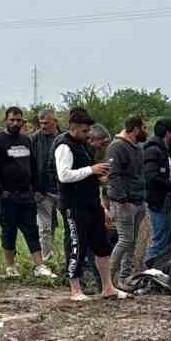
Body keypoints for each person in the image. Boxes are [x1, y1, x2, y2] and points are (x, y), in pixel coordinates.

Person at [56, 108, 122, 301]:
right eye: (85, 132)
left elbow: (84, 174)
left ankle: (108, 287)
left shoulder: (83, 146)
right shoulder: (64, 146)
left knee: (101, 245)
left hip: (91, 203)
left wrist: (98, 178)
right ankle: (75, 289)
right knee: (77, 244)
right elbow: (64, 175)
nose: (88, 135)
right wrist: (91, 169)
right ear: (73, 128)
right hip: (73, 205)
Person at [0, 106, 54, 278]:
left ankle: (40, 266)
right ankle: (10, 266)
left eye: (19, 120)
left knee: (32, 230)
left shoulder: (26, 140)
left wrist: (37, 188)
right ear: (6, 121)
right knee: (9, 231)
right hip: (8, 196)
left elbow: (33, 166)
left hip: (27, 195)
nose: (16, 123)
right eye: (12, 120)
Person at [104, 116, 148, 289]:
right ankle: (107, 280)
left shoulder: (136, 147)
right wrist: (122, 199)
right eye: (144, 127)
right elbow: (113, 175)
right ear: (136, 129)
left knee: (132, 242)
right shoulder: (117, 147)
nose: (147, 131)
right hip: (124, 204)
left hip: (137, 201)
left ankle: (124, 279)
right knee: (125, 240)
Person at [143, 118, 171, 268]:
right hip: (159, 201)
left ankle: (162, 271)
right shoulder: (153, 150)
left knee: (168, 238)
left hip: (167, 200)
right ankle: (149, 273)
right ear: (167, 132)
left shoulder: (166, 150)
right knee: (160, 238)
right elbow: (150, 177)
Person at [31, 108, 60, 262]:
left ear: (55, 122)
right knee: (44, 228)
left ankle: (71, 259)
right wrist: (35, 188)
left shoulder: (63, 138)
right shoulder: (34, 139)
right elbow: (30, 165)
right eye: (41, 123)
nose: (43, 126)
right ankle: (46, 259)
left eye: (46, 123)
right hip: (43, 191)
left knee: (68, 226)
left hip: (62, 189)